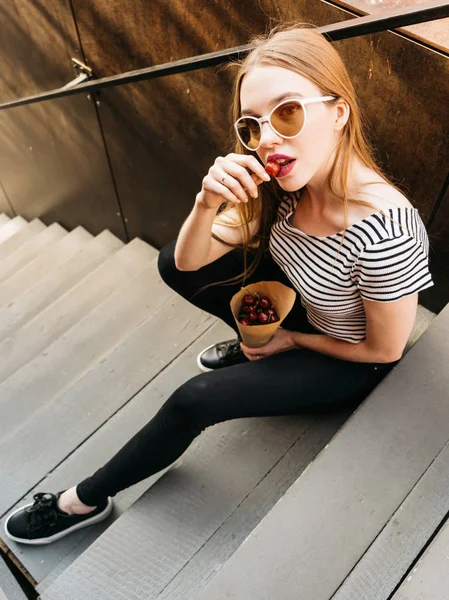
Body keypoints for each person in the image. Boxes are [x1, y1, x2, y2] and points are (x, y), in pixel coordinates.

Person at [5, 22, 433, 545]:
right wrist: (206, 203)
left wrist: (291, 339)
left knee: (193, 400)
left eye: (289, 112)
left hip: (349, 360)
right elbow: (187, 262)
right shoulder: (283, 185)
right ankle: (258, 345)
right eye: (253, 125)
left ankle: (84, 501)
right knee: (165, 260)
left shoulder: (384, 226)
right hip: (308, 308)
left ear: (338, 111)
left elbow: (384, 349)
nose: (269, 137)